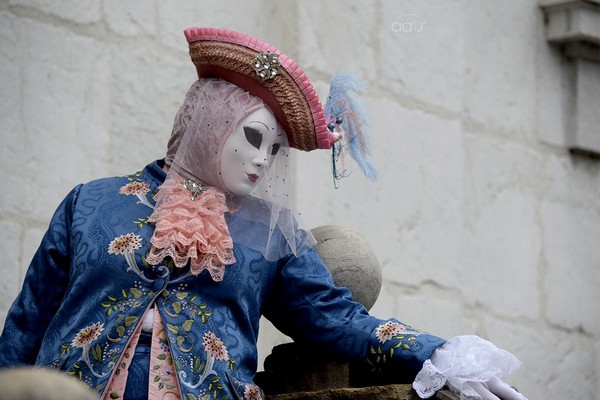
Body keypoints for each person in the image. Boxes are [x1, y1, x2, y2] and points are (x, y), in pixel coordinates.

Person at [0, 27, 527, 400]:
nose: (260, 160)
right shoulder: (90, 202)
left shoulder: (272, 235)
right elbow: (25, 328)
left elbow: (336, 318)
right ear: (209, 121)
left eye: (274, 150)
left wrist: (441, 353)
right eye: (253, 137)